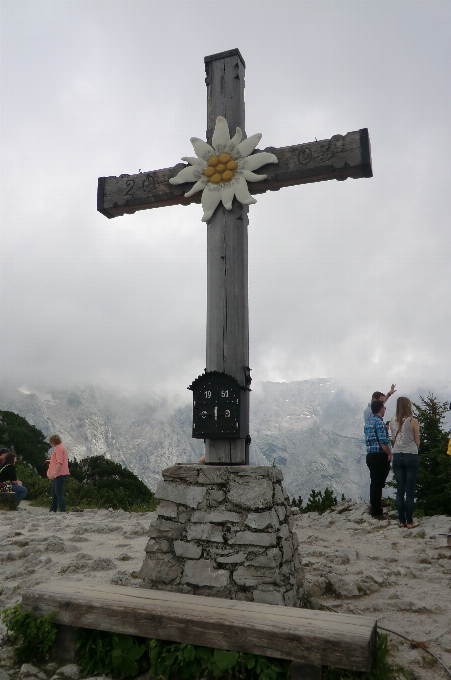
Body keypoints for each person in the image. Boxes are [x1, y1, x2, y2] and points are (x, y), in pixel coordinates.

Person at [389, 397, 420, 529]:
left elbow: (393, 439)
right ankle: (409, 521)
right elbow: (417, 441)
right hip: (411, 455)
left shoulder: (392, 421)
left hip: (397, 456)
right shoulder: (413, 421)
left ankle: (401, 521)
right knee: (410, 490)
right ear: (408, 406)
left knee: (400, 489)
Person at [364, 400, 392, 519]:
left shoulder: (368, 423)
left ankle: (374, 507)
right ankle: (377, 512)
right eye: (384, 408)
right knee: (378, 483)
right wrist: (389, 453)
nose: (384, 410)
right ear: (381, 409)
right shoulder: (379, 423)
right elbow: (383, 441)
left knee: (374, 482)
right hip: (379, 456)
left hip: (370, 455)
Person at [47, 434, 70, 512]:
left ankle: (62, 509)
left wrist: (54, 472)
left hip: (60, 473)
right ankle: (53, 508)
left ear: (53, 441)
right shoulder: (59, 448)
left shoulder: (59, 449)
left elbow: (59, 462)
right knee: (54, 493)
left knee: (58, 493)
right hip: (58, 474)